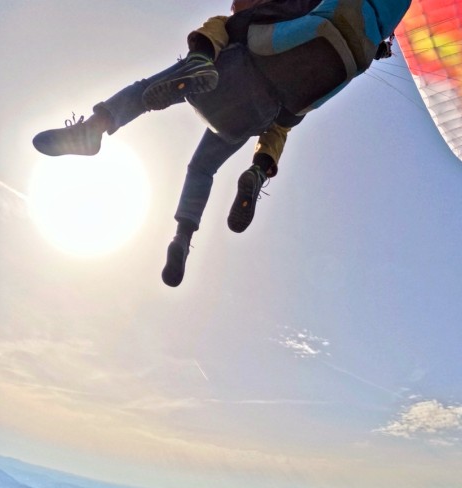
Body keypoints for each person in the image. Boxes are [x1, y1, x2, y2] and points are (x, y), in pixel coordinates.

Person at [32, 0, 410, 287]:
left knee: (218, 31)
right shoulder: (378, 24)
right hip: (281, 100)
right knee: (271, 129)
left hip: (252, 58)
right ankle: (259, 170)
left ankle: (101, 126)